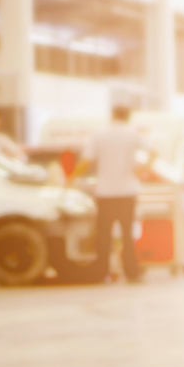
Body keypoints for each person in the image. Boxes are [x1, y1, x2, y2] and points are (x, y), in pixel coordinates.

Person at [77, 105, 145, 283]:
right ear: (128, 116)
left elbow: (86, 160)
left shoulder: (100, 135)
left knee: (104, 235)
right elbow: (153, 151)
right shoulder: (133, 134)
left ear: (112, 115)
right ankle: (132, 272)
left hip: (105, 193)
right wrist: (143, 170)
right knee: (127, 235)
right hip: (128, 192)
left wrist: (71, 178)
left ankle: (101, 273)